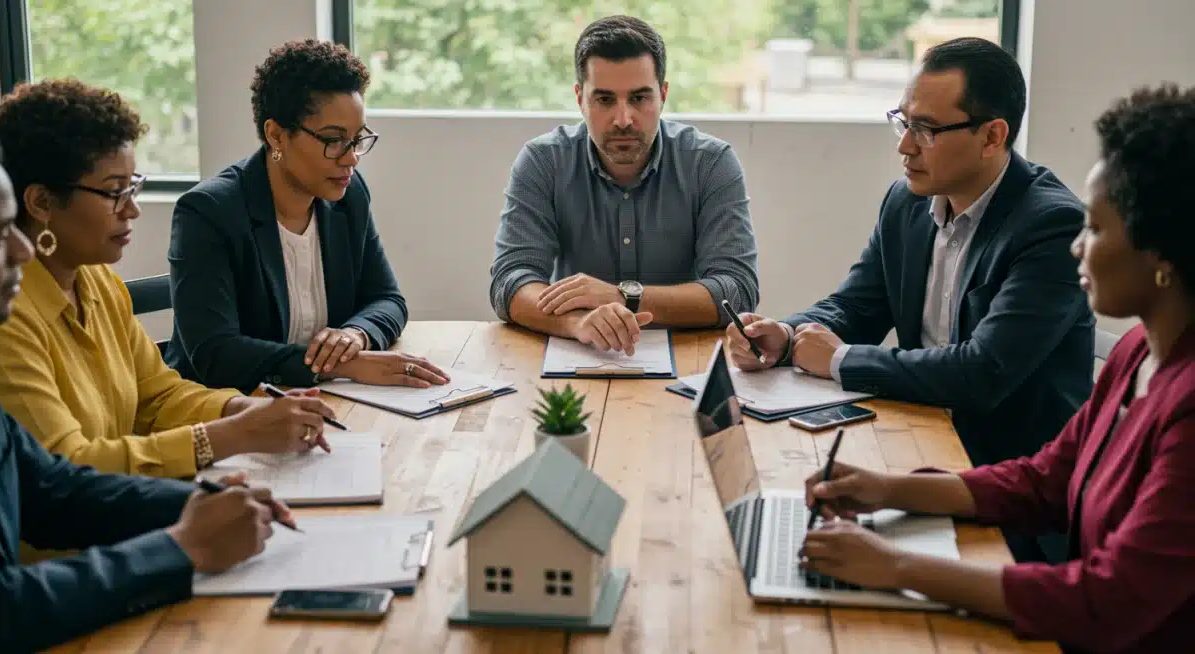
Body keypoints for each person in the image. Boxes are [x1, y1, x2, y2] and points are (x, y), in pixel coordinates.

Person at [799, 84, 1195, 654]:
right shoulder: (1138, 351)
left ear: (1163, 254)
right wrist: (888, 490)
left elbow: (1108, 602)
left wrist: (898, 568)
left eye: (1098, 229)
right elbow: (1045, 481)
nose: (1078, 247)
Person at [726, 39, 1093, 546]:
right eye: (904, 122)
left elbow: (981, 371)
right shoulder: (907, 201)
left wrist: (840, 361)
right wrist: (786, 336)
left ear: (992, 136)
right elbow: (858, 305)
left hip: (1009, 491)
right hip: (918, 447)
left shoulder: (1051, 226)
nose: (904, 146)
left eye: (926, 130)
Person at [0, 134, 285, 653]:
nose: (18, 246)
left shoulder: (98, 282)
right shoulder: (9, 322)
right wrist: (181, 544)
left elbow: (51, 485)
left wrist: (203, 499)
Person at [0, 79, 334, 483]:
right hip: (74, 543)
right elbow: (67, 468)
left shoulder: (98, 281)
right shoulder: (7, 319)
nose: (133, 209)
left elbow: (158, 396)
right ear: (41, 203)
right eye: (114, 192)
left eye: (133, 187)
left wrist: (241, 409)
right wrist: (228, 436)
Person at [166, 38, 450, 393]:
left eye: (357, 138)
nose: (351, 158)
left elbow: (387, 299)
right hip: (225, 413)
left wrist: (355, 335)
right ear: (277, 136)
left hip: (318, 403)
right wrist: (343, 366)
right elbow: (215, 353)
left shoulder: (349, 196)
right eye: (333, 140)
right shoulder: (209, 212)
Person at [489, 15, 759, 355]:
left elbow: (738, 290)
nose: (623, 119)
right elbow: (510, 282)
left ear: (663, 94)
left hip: (688, 359)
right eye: (604, 100)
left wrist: (624, 296)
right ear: (579, 98)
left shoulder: (710, 162)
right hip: (581, 354)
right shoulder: (544, 161)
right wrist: (576, 324)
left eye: (639, 98)